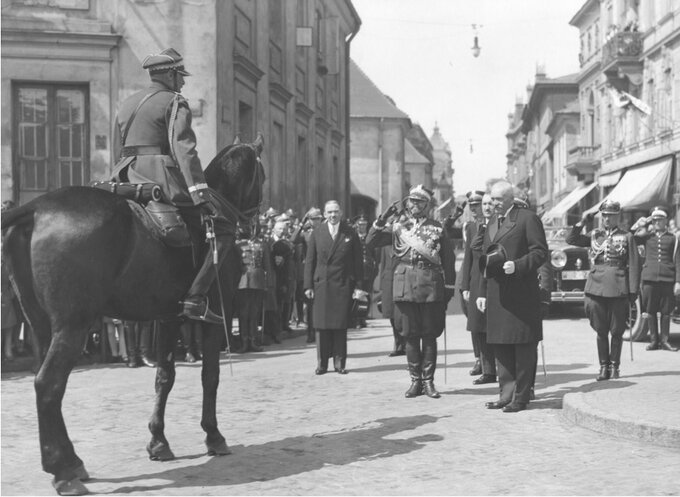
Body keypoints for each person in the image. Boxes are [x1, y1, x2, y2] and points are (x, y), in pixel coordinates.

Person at [111, 47, 227, 325]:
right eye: (181, 76)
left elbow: (117, 148)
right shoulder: (174, 102)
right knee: (219, 231)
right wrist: (200, 192)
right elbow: (184, 149)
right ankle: (195, 299)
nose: (184, 82)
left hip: (126, 176)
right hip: (160, 178)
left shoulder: (126, 103)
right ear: (171, 75)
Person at [367, 185, 456, 398]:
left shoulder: (437, 228)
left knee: (430, 334)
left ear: (427, 206)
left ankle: (428, 382)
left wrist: (448, 290)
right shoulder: (398, 227)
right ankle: (415, 381)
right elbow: (370, 241)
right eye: (411, 201)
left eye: (419, 202)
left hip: (429, 285)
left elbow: (448, 261)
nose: (414, 205)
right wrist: (382, 220)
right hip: (404, 284)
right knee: (410, 334)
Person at [475, 181, 548, 412]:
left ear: (509, 199)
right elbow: (486, 259)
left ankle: (521, 396)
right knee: (501, 346)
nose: (493, 204)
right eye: (492, 199)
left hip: (521, 294)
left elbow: (540, 252)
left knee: (523, 347)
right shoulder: (491, 223)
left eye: (497, 200)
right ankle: (506, 394)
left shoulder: (527, 218)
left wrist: (517, 266)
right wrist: (483, 292)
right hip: (497, 294)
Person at [566, 200, 639, 380]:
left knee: (616, 330)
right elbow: (571, 239)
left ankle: (615, 367)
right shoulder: (594, 235)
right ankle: (603, 367)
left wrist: (633, 292)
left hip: (618, 286)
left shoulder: (627, 237)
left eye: (611, 216)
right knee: (600, 330)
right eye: (604, 215)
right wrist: (582, 222)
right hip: (596, 287)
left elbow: (634, 265)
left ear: (617, 217)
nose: (607, 219)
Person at [304, 200, 363, 375]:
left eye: (336, 212)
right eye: (329, 212)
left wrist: (358, 286)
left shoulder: (350, 233)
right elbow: (310, 261)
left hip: (342, 284)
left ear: (341, 213)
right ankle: (322, 364)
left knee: (339, 326)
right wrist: (308, 285)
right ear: (324, 214)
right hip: (322, 284)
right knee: (321, 326)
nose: (333, 215)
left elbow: (357, 262)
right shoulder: (317, 233)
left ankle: (339, 363)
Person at [460, 191, 497, 385]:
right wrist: (465, 285)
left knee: (494, 326)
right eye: (483, 205)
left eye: (489, 204)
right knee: (479, 327)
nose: (485, 208)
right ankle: (488, 370)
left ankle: (499, 368)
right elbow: (468, 257)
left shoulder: (500, 225)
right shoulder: (473, 228)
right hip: (476, 281)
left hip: (493, 281)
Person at [630, 206, 679, 352]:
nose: (657, 222)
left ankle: (664, 341)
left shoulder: (673, 238)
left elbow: (678, 260)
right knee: (650, 311)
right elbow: (630, 238)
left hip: (667, 279)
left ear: (666, 221)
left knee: (665, 312)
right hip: (649, 278)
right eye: (655, 219)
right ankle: (653, 341)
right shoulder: (646, 237)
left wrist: (678, 281)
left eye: (660, 219)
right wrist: (640, 224)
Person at [234, 223, 270, 353]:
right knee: (243, 314)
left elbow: (267, 265)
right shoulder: (238, 245)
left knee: (254, 313)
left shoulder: (262, 245)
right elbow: (234, 265)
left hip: (258, 281)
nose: (249, 230)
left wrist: (268, 284)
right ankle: (244, 342)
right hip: (242, 282)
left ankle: (253, 341)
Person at [353, 215, 378, 329]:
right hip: (357, 270)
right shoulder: (353, 237)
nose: (362, 227)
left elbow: (375, 255)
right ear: (357, 225)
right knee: (358, 295)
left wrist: (375, 268)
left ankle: (363, 317)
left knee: (367, 295)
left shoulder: (370, 237)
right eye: (360, 225)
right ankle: (357, 318)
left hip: (368, 269)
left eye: (364, 225)